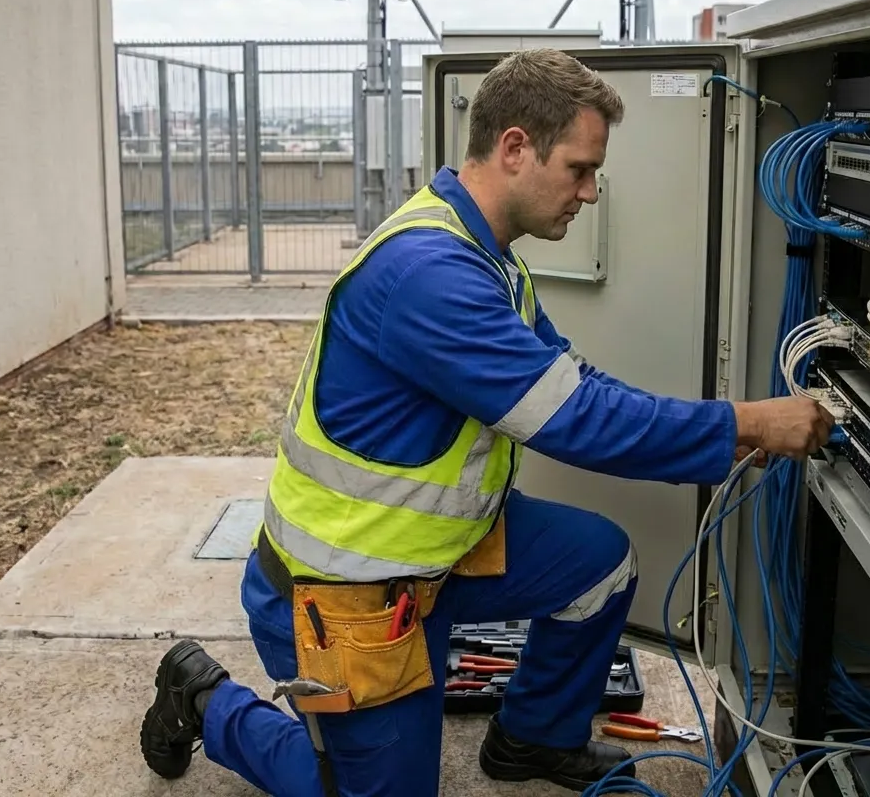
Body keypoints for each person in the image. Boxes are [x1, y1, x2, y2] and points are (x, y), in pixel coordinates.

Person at [139, 48, 833, 797]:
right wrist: (746, 424)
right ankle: (205, 701)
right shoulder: (430, 275)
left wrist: (731, 433)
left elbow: (570, 383)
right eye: (579, 169)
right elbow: (576, 419)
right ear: (514, 147)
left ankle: (533, 738)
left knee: (599, 565)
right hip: (344, 598)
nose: (590, 192)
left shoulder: (485, 254)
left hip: (437, 563)